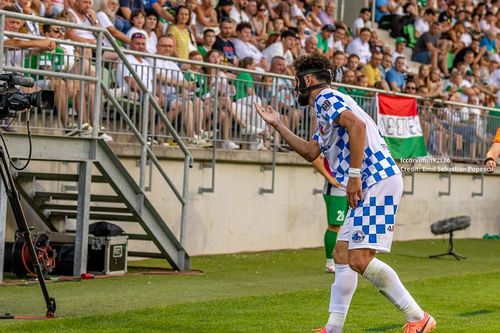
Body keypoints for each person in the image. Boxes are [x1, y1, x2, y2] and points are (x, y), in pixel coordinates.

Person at [255, 54, 436, 333]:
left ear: (308, 80)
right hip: (371, 180)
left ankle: (418, 318)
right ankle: (333, 328)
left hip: (376, 180)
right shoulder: (326, 107)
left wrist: (353, 177)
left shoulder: (326, 98)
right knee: (342, 254)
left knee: (359, 258)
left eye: (297, 81)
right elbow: (311, 151)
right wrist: (278, 125)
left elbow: (358, 126)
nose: (296, 87)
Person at [312, 156, 347, 273]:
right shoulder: (329, 138)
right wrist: (330, 177)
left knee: (351, 224)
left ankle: (348, 259)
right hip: (336, 189)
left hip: (352, 187)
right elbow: (315, 159)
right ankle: (330, 262)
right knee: (335, 225)